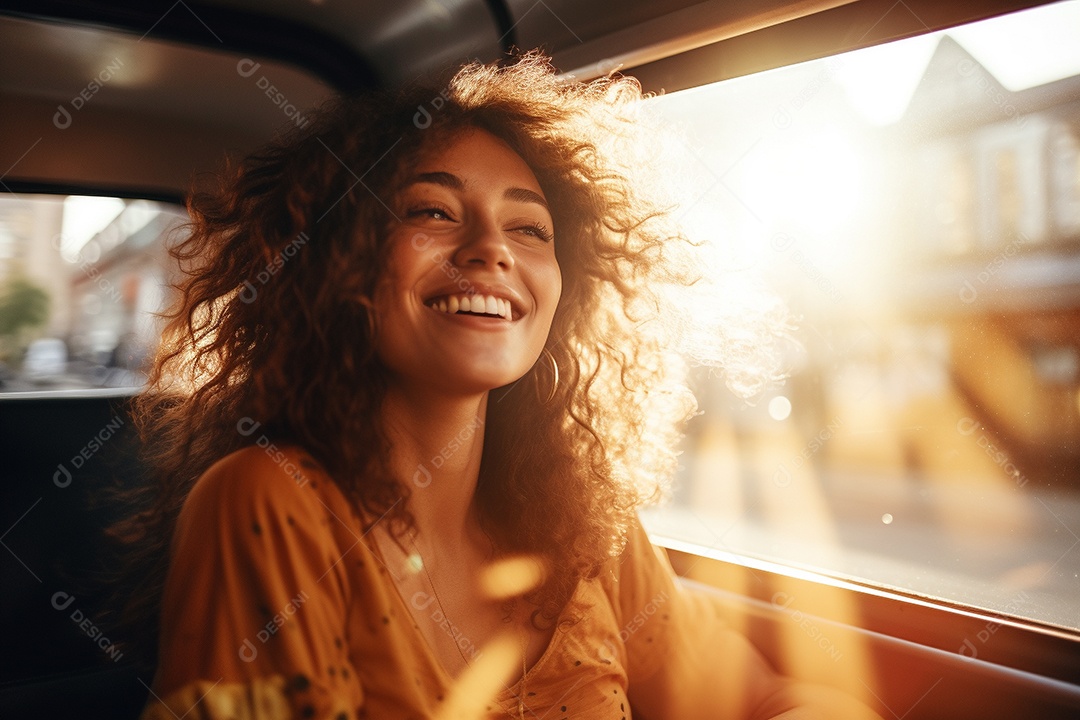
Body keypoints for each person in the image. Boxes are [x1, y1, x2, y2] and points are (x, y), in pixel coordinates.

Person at [120, 52, 882, 719]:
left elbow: (760, 700)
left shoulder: (584, 528)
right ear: (340, 265)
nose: (491, 250)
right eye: (432, 211)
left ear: (563, 288)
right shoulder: (265, 505)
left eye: (529, 229)